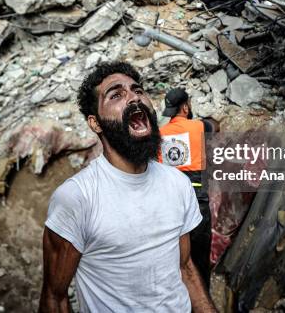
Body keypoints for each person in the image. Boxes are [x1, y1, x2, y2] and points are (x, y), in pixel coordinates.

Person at [39, 61, 217, 312]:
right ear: (95, 123)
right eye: (116, 95)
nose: (134, 97)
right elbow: (54, 298)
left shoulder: (177, 183)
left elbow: (185, 267)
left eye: (138, 90)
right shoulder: (77, 198)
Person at [159, 87, 218, 288]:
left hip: (170, 207)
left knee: (176, 262)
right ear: (185, 107)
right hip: (197, 203)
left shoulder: (159, 134)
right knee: (200, 262)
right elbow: (214, 127)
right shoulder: (201, 127)